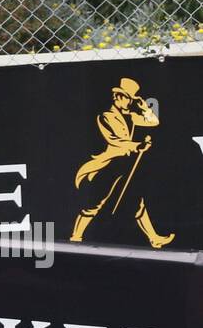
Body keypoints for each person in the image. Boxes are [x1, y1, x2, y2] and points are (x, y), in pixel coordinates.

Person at [71, 77, 174, 249]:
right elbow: (116, 141)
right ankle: (76, 237)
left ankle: (154, 238)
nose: (128, 102)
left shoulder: (132, 116)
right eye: (126, 98)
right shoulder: (106, 116)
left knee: (137, 201)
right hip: (109, 165)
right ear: (118, 97)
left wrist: (144, 108)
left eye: (130, 99)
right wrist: (137, 145)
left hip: (126, 164)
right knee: (95, 203)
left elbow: (154, 122)